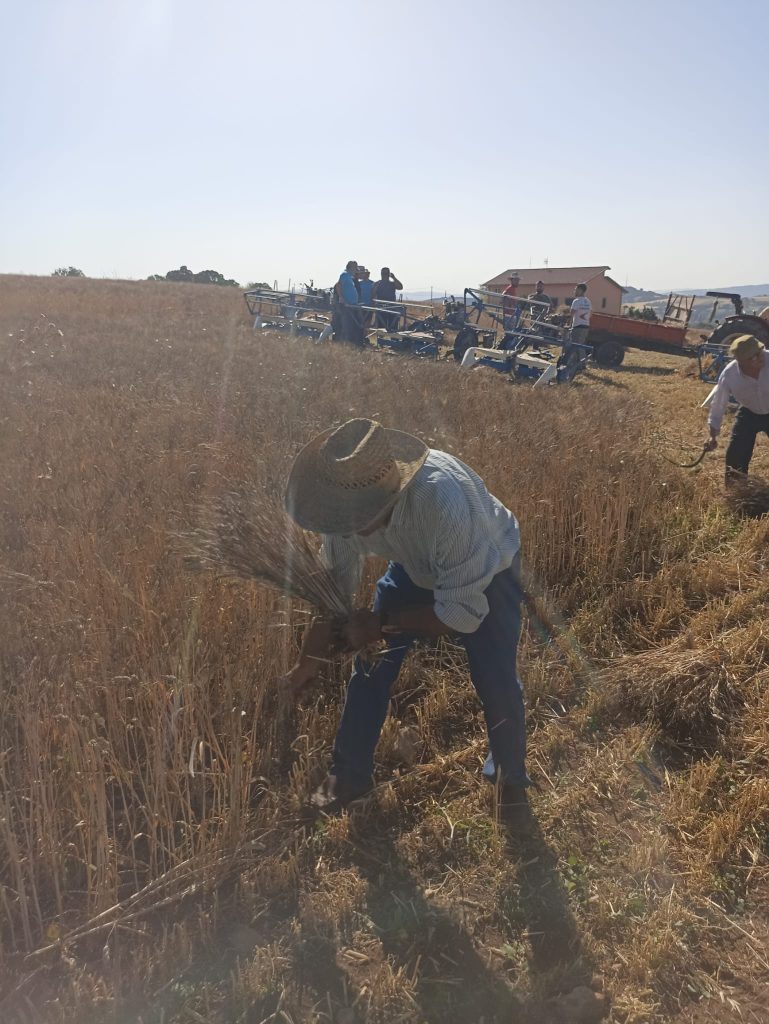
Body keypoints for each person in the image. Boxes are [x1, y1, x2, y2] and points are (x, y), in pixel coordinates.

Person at [283, 418, 531, 826]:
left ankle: (510, 780)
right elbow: (334, 594)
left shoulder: (443, 501)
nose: (349, 530)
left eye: (359, 518)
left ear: (389, 493)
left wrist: (379, 624)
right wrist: (309, 659)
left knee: (496, 679)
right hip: (415, 565)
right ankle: (349, 776)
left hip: (486, 571)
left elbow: (459, 614)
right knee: (370, 666)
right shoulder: (344, 507)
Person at [704, 334, 769, 483]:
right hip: (749, 411)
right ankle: (736, 489)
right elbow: (718, 405)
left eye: (760, 352)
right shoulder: (729, 375)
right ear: (741, 362)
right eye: (754, 357)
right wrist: (713, 435)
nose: (760, 358)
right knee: (736, 455)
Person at [337, 260, 364, 346]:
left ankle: (353, 343)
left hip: (352, 305)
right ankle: (345, 344)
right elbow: (338, 285)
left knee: (354, 324)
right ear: (351, 268)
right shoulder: (344, 275)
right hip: (347, 306)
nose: (356, 270)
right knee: (347, 325)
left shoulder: (349, 276)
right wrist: (341, 298)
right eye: (355, 268)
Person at [569, 283, 592, 347]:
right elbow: (590, 315)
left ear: (580, 290)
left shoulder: (576, 301)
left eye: (576, 290)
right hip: (586, 327)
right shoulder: (588, 301)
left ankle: (582, 357)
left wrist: (569, 326)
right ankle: (582, 356)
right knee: (581, 345)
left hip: (577, 327)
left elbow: (571, 314)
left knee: (575, 346)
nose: (574, 291)